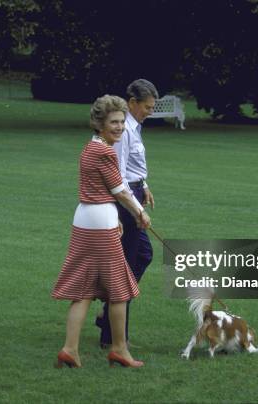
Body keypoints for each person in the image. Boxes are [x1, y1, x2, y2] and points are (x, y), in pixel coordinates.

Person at [52, 95, 151, 368]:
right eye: (113, 122)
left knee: (83, 290)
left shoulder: (90, 148)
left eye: (121, 122)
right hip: (100, 221)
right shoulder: (105, 152)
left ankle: (70, 349)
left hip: (86, 218)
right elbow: (120, 190)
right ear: (100, 123)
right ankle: (119, 349)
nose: (119, 127)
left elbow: (101, 190)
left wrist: (116, 217)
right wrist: (139, 213)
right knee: (119, 290)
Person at [96, 79, 159, 348]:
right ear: (132, 103)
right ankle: (111, 334)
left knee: (142, 255)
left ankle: (108, 313)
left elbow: (134, 166)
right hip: (124, 200)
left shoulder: (134, 127)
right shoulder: (124, 131)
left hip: (133, 192)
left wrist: (144, 185)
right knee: (128, 263)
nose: (150, 111)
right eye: (146, 107)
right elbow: (117, 176)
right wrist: (135, 209)